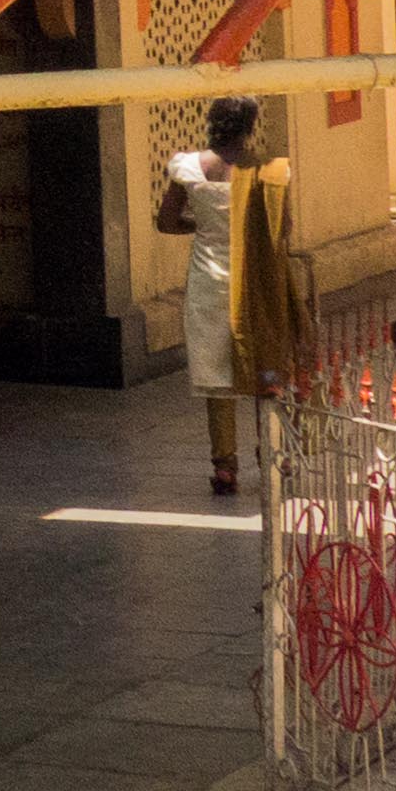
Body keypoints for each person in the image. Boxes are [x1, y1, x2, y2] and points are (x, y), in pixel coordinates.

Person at [160, 100, 297, 496]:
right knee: (263, 366)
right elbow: (282, 229)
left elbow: (166, 222)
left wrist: (205, 225)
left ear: (211, 124)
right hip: (256, 283)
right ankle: (271, 455)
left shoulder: (186, 167)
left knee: (216, 374)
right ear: (250, 127)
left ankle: (224, 467)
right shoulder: (272, 171)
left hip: (208, 282)